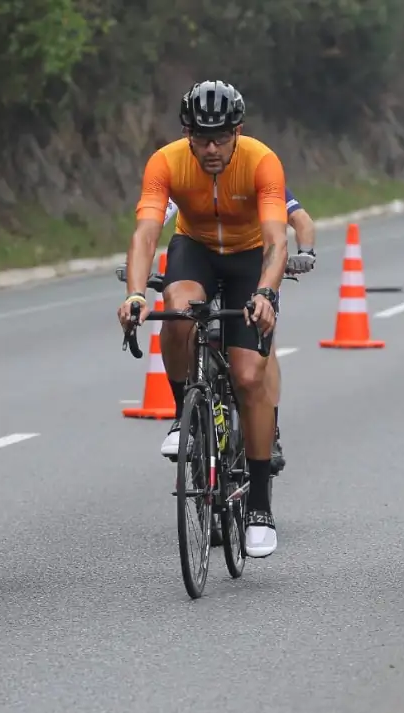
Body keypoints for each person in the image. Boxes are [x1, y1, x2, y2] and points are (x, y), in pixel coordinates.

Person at [119, 80, 288, 558]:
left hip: (249, 258)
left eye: (220, 138)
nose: (211, 149)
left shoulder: (261, 160)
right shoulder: (166, 161)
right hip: (195, 250)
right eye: (200, 138)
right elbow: (147, 232)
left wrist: (266, 292)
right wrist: (134, 292)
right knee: (176, 310)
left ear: (238, 131)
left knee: (249, 376)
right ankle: (183, 416)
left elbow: (277, 239)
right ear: (187, 133)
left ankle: (258, 504)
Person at [161, 189, 317, 475]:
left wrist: (305, 252)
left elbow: (301, 219)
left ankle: (271, 426)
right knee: (186, 318)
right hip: (203, 264)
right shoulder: (191, 180)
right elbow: (156, 217)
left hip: (252, 265)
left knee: (260, 343)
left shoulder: (259, 178)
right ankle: (191, 405)